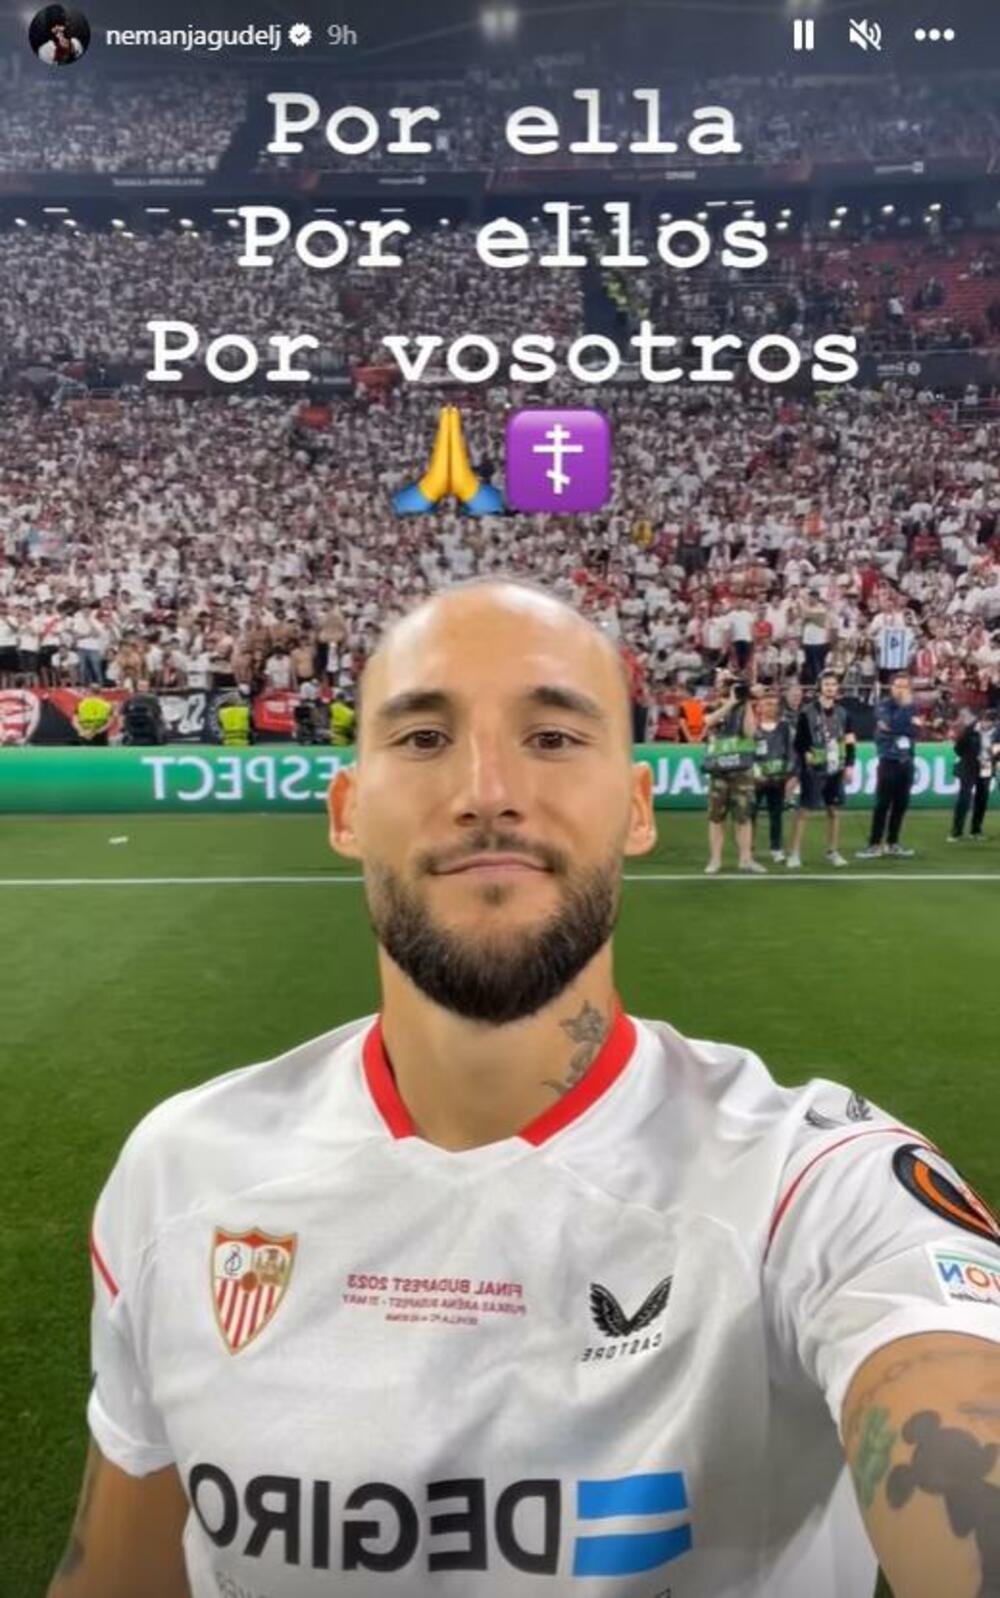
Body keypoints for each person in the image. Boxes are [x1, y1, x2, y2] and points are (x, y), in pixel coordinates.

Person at [56, 577, 1000, 1598]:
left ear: (636, 807)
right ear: (346, 811)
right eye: (423, 738)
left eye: (552, 737)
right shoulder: (180, 1170)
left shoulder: (814, 1185)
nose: (488, 790)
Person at [786, 671, 856, 870]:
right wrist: (806, 754)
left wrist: (850, 765)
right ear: (820, 687)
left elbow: (850, 740)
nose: (830, 688)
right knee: (804, 811)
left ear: (837, 688)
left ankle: (832, 851)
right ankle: (794, 853)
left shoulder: (844, 713)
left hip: (835, 768)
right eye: (826, 684)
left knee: (833, 810)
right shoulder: (807, 712)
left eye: (833, 684)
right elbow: (799, 742)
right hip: (814, 769)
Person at [701, 668, 767, 875]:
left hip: (741, 768)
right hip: (719, 768)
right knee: (716, 817)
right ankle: (715, 860)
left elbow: (750, 732)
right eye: (723, 682)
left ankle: (745, 859)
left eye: (729, 681)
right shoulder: (711, 704)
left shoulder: (744, 705)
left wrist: (745, 701)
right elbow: (708, 721)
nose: (726, 685)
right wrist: (730, 703)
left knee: (744, 816)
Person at [857, 671, 925, 860]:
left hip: (907, 760)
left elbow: (915, 731)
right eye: (898, 686)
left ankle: (892, 842)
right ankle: (874, 844)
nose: (902, 690)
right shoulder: (883, 705)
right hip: (888, 760)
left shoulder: (913, 706)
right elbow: (891, 723)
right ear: (892, 687)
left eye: (905, 686)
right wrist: (905, 718)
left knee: (901, 804)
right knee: (882, 804)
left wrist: (904, 726)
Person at [750, 686, 796, 862]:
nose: (772, 707)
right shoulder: (752, 728)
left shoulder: (785, 728)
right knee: (750, 814)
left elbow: (791, 752)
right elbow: (747, 752)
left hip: (778, 779)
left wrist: (789, 774)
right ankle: (749, 847)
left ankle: (776, 848)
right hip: (756, 780)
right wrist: (755, 773)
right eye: (768, 704)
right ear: (759, 707)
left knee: (776, 815)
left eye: (775, 704)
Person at [948, 704, 1000, 842]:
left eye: (991, 722)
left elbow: (997, 752)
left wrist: (993, 758)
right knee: (964, 798)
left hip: (986, 766)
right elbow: (959, 748)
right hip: (969, 765)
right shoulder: (970, 729)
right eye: (985, 720)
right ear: (981, 719)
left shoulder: (997, 733)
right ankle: (956, 832)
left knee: (982, 798)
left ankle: (976, 831)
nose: (987, 724)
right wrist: (969, 758)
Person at [120, 679, 167, 746]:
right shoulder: (152, 698)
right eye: (141, 686)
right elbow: (159, 715)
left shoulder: (131, 698)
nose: (143, 687)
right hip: (143, 732)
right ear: (137, 687)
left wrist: (123, 728)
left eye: (145, 686)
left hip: (140, 732)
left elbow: (122, 714)